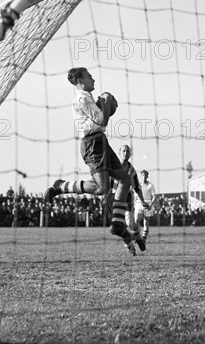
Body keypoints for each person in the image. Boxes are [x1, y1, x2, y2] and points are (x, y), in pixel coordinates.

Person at [43, 67, 139, 255]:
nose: (92, 79)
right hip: (92, 143)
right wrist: (106, 102)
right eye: (89, 77)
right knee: (102, 188)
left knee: (125, 179)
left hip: (101, 141)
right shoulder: (82, 98)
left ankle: (118, 223)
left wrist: (105, 103)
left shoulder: (87, 98)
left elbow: (102, 120)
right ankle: (61, 186)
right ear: (80, 80)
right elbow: (102, 120)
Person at [106, 145, 149, 254]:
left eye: (127, 151)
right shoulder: (112, 167)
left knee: (129, 223)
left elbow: (137, 188)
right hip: (113, 198)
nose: (125, 153)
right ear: (119, 152)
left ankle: (138, 238)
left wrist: (143, 201)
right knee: (118, 226)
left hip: (127, 197)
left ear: (130, 154)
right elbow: (106, 183)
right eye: (123, 151)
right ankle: (131, 247)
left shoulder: (132, 171)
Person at [136, 170, 156, 241]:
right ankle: (138, 236)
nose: (144, 176)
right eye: (143, 175)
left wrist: (150, 205)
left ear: (147, 176)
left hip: (148, 203)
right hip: (139, 203)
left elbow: (154, 196)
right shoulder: (138, 185)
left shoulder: (150, 185)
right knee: (137, 219)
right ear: (141, 176)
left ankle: (144, 237)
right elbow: (135, 196)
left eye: (145, 175)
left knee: (146, 221)